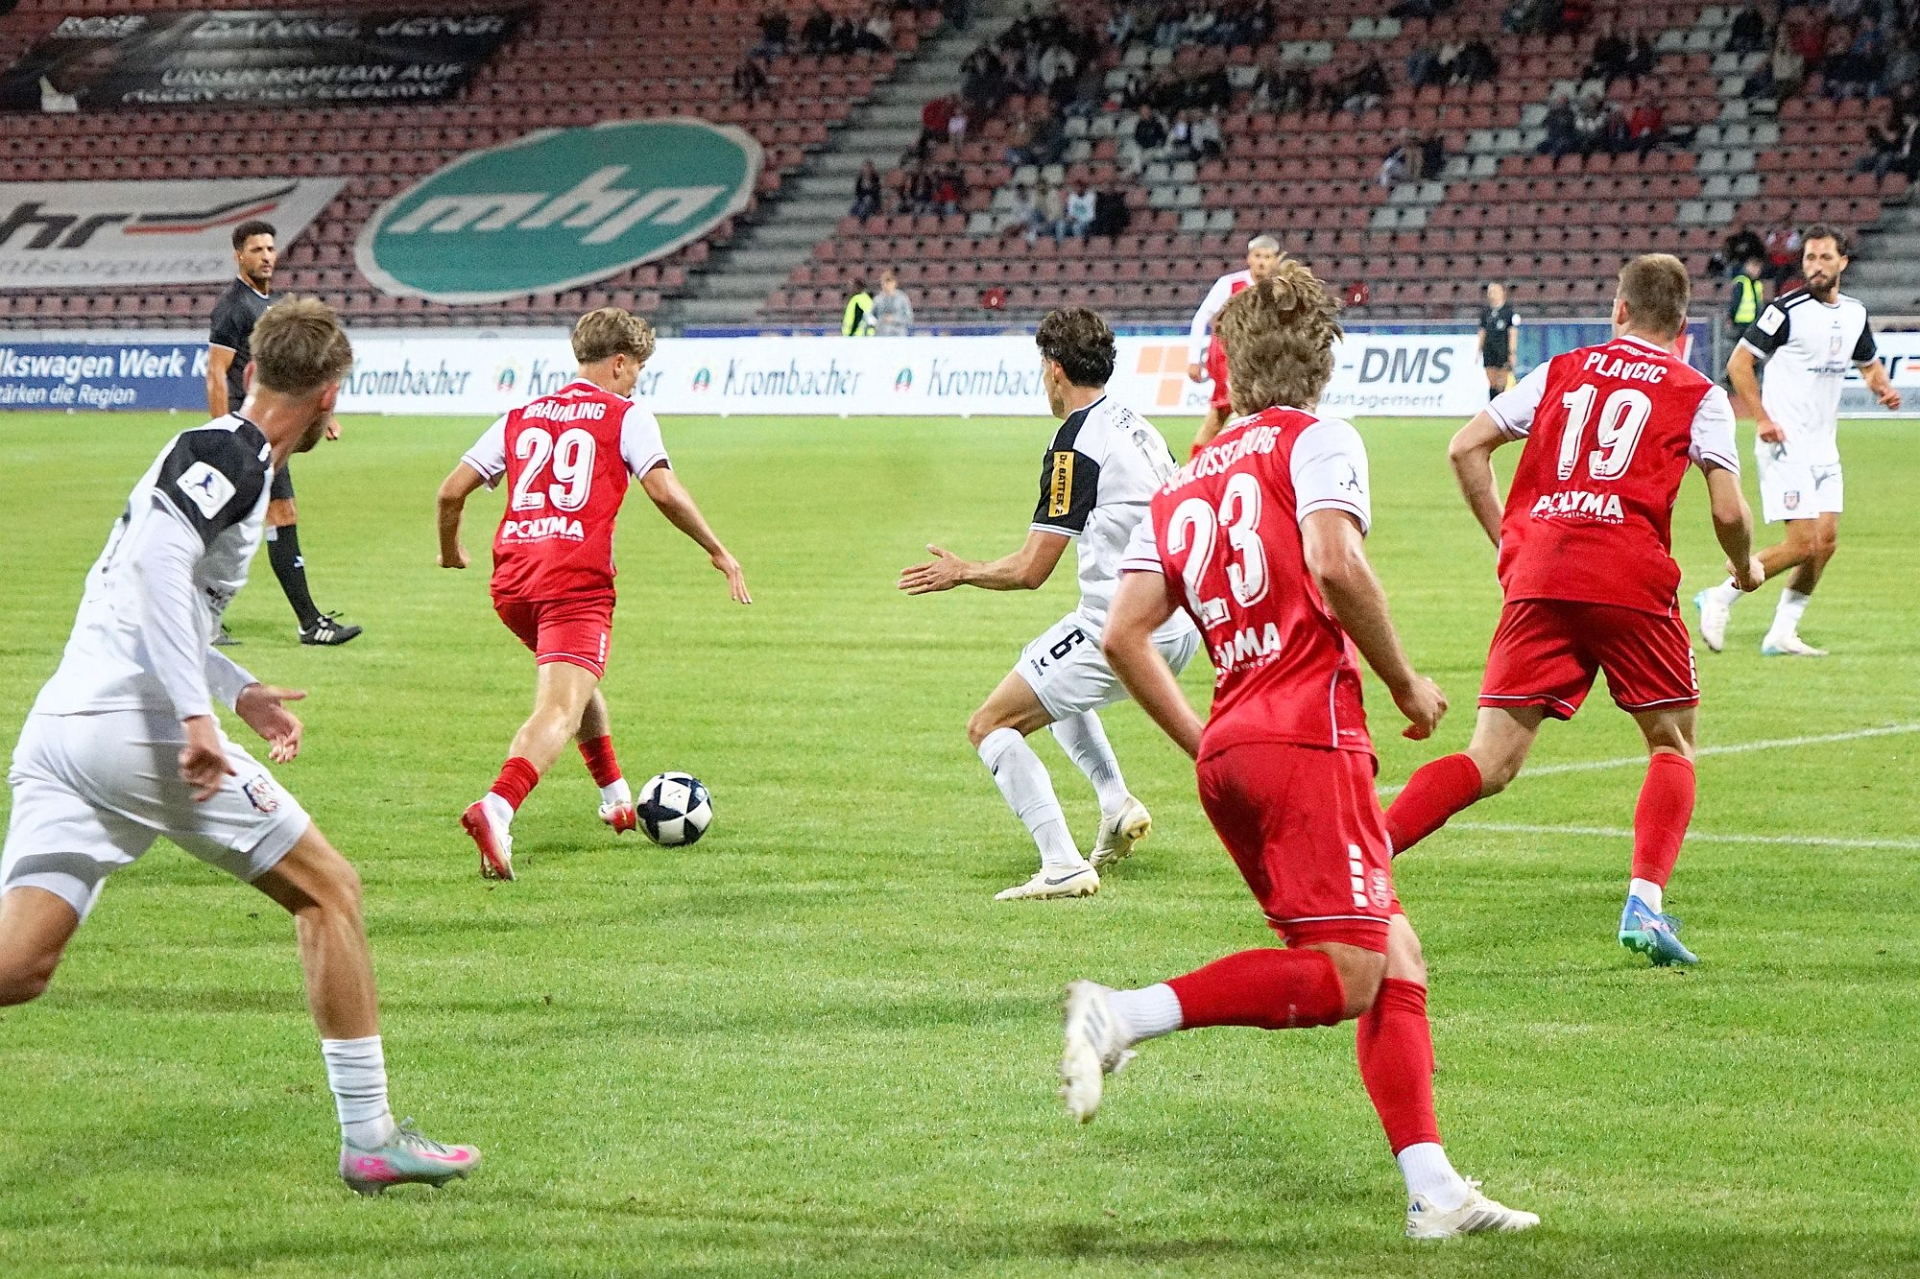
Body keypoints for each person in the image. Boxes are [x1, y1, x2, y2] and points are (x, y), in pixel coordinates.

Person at [1064, 265, 1538, 1240]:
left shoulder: (1187, 476)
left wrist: (1208, 741)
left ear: (1230, 368)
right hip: (1309, 736)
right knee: (1348, 976)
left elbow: (1123, 635)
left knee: (1394, 950)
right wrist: (1404, 680)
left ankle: (1434, 1190)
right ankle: (1123, 1014)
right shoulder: (1318, 439)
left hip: (1233, 749)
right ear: (1322, 362)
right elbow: (1332, 558)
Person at [0, 297, 478, 1194]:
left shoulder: (221, 453)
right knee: (330, 890)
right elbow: (152, 564)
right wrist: (195, 715)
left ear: (253, 367)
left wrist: (234, 686)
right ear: (329, 396)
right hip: (138, 729)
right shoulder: (234, 451)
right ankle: (371, 1137)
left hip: (68, 723)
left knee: (17, 966)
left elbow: (145, 593)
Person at [1385, 256, 1765, 966]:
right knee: (1670, 743)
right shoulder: (1698, 392)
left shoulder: (1560, 369)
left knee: (1489, 759)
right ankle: (1644, 904)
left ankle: (1364, 856)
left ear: (1618, 310)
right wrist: (1744, 567)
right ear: (1682, 325)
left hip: (1541, 571)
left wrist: (1510, 544)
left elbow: (1465, 448)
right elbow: (1727, 510)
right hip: (1628, 575)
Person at [436, 309, 751, 880]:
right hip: (574, 581)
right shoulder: (626, 415)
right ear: (620, 363)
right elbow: (663, 489)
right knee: (559, 707)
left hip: (513, 582)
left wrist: (451, 551)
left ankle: (615, 796)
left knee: (576, 683)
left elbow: (450, 492)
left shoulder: (519, 415)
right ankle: (497, 807)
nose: (636, 383)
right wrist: (717, 549)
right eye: (637, 371)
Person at [897, 308, 1200, 901]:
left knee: (990, 725)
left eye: (1042, 368)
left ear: (1056, 369)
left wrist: (963, 571)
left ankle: (1061, 864)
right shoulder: (1135, 423)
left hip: (1125, 630)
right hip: (1177, 619)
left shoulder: (1075, 444)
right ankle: (1115, 802)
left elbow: (1031, 569)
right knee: (1040, 665)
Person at [1698, 225, 1902, 657]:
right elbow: (1739, 364)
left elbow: (1868, 364)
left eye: (1825, 258)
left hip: (1823, 446)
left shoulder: (1854, 313)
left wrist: (1881, 387)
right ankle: (1719, 596)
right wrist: (1762, 418)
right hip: (1784, 443)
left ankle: (1782, 633)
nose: (1816, 266)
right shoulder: (1784, 310)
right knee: (1801, 543)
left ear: (1843, 262)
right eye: (1810, 258)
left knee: (1824, 545)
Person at [207, 221, 360, 647]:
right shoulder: (233, 307)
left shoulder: (271, 306)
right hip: (247, 430)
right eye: (257, 249)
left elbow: (290, 373)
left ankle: (301, 621)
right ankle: (307, 622)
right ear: (239, 255)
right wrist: (223, 431)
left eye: (270, 248)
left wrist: (321, 415)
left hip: (269, 430)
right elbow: (216, 373)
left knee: (264, 516)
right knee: (241, 519)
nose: (266, 256)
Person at [1186, 234, 1283, 455]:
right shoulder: (1230, 284)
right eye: (1258, 256)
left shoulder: (1278, 288)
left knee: (1224, 414)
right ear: (1249, 258)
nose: (1262, 262)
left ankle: (1198, 463)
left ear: (1275, 261)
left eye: (1267, 257)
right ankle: (1230, 461)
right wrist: (1193, 360)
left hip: (1258, 358)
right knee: (1242, 409)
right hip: (1227, 356)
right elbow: (1201, 318)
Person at [1476, 282, 1518, 399]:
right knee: (1492, 381)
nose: (1492, 294)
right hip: (1489, 349)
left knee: (1502, 381)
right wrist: (1479, 349)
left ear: (1502, 293)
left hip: (1502, 350)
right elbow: (1482, 331)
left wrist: (1512, 352)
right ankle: (1492, 403)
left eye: (1495, 291)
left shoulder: (1509, 312)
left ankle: (1502, 404)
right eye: (1490, 292)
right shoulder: (1486, 312)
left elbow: (1512, 332)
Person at [1726, 255, 1766, 342]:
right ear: (1747, 267)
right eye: (1754, 267)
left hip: (1753, 323)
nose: (1756, 271)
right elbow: (1735, 302)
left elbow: (1759, 304)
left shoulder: (1758, 284)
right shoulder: (1741, 282)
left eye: (1758, 268)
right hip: (1741, 323)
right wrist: (1731, 318)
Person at [871, 269, 914, 335]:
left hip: (898, 335)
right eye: (884, 283)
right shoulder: (877, 300)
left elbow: (909, 318)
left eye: (888, 283)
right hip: (881, 335)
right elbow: (871, 316)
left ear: (894, 283)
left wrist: (894, 319)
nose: (886, 286)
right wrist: (878, 322)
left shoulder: (902, 298)